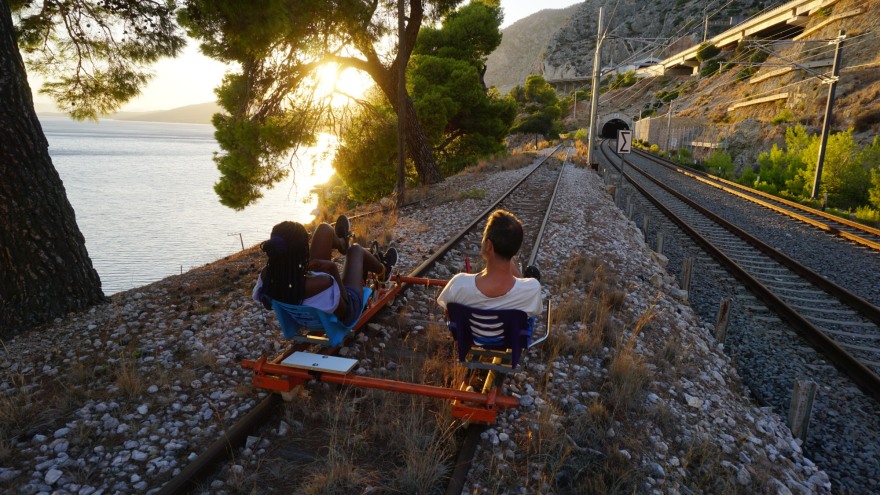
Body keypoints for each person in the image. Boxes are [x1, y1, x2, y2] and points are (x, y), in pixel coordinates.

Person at [253, 215, 397, 327]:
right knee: (356, 250)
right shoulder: (322, 282)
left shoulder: (267, 275)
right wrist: (333, 269)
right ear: (300, 252)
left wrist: (302, 270)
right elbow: (344, 310)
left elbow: (268, 304)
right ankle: (383, 271)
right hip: (344, 310)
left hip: (305, 304)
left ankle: (343, 243)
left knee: (324, 229)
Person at [437, 209, 542, 315]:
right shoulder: (531, 289)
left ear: (489, 246)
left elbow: (448, 315)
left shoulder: (458, 284)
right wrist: (516, 270)